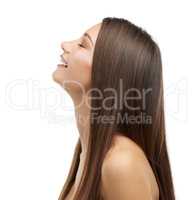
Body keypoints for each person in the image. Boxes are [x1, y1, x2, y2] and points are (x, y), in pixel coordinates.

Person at [52, 17, 175, 200]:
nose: (65, 45)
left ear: (109, 72)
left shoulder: (120, 163)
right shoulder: (89, 154)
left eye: (83, 45)